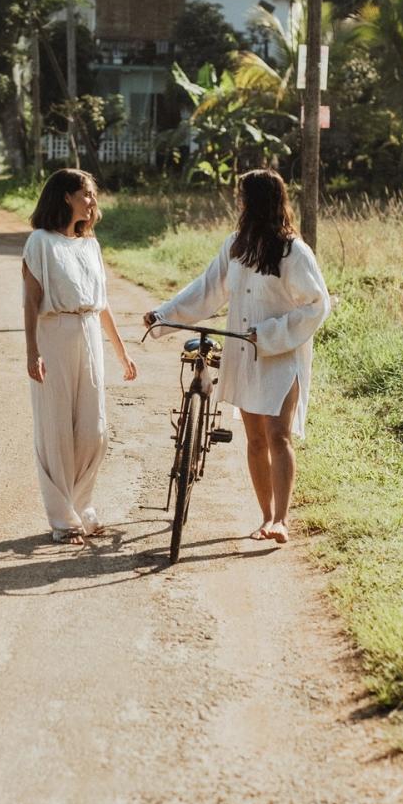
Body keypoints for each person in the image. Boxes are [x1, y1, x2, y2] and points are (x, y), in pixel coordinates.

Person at [143, 169, 330, 545]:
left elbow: (317, 305)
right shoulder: (236, 245)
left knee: (279, 436)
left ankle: (281, 518)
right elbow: (207, 290)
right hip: (243, 353)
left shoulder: (294, 251)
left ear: (257, 201)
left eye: (242, 197)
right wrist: (164, 314)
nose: (238, 203)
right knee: (256, 439)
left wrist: (272, 333)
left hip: (279, 355)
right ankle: (265, 516)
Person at [22, 168, 137, 545]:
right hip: (53, 334)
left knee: (94, 432)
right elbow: (31, 301)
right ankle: (64, 519)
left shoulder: (91, 245)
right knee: (56, 429)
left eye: (91, 194)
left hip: (88, 334)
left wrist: (121, 353)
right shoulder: (40, 242)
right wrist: (32, 351)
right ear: (66, 197)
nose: (92, 201)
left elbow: (102, 305)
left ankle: (82, 505)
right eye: (85, 194)